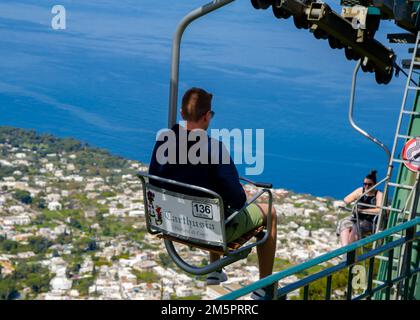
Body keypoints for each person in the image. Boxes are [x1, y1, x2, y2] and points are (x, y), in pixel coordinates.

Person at [148, 87, 277, 299]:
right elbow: (238, 200)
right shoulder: (214, 149)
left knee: (209, 201)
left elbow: (155, 181)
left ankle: (215, 271)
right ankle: (265, 287)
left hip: (170, 222)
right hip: (208, 231)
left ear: (181, 113)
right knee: (269, 211)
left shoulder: (163, 142)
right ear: (207, 116)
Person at [337, 170, 383, 246]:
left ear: (375, 184)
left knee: (356, 227)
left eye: (369, 184)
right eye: (365, 184)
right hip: (356, 217)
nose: (367, 186)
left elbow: (378, 210)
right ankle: (344, 248)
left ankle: (350, 249)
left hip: (369, 220)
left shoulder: (378, 194)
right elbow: (347, 199)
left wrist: (362, 210)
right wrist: (348, 202)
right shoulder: (360, 191)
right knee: (344, 223)